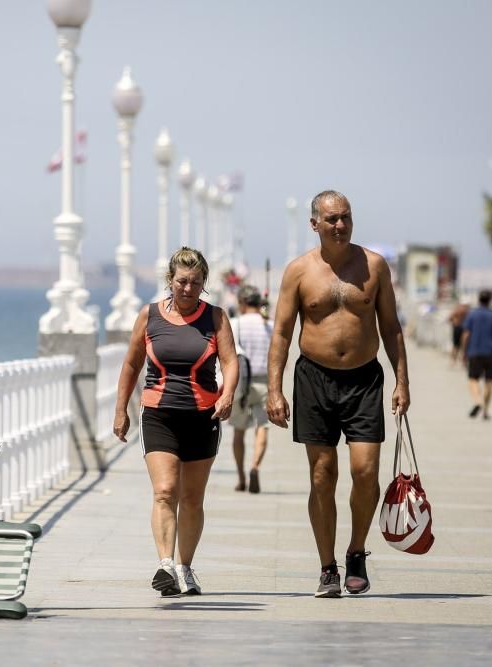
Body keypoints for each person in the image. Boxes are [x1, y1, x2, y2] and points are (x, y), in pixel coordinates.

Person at [266, 191, 409, 598]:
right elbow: (281, 332)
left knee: (366, 472)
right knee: (322, 474)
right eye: (331, 219)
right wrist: (274, 389)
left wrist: (403, 381)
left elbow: (391, 327)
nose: (340, 225)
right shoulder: (298, 271)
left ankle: (357, 551)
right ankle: (328, 566)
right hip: (314, 378)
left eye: (345, 217)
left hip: (364, 379)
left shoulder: (374, 266)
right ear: (315, 224)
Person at [113, 247, 239, 597]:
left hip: (203, 415)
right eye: (182, 281)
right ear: (170, 280)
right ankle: (165, 565)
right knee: (165, 491)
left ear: (204, 284)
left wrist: (227, 394)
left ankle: (185, 567)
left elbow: (229, 361)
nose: (187, 288)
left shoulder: (215, 318)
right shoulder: (149, 315)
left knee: (193, 498)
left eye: (195, 282)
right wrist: (121, 409)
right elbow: (130, 364)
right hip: (159, 414)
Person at [229, 284, 274, 494]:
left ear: (242, 303)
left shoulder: (235, 323)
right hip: (265, 382)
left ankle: (240, 477)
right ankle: (255, 466)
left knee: (238, 431)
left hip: (240, 384)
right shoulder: (270, 325)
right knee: (262, 427)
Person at [460, 289, 492, 420]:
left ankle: (478, 401)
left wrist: (464, 351)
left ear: (479, 300)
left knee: (473, 378)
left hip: (475, 351)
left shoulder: (472, 314)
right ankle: (485, 411)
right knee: (489, 381)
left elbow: (466, 335)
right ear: (490, 300)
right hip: (491, 352)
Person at [447, 301, 470, 367]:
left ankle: (453, 362)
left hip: (458, 328)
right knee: (463, 346)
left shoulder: (457, 310)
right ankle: (462, 362)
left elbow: (449, 318)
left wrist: (454, 322)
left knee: (456, 346)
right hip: (462, 328)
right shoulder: (466, 311)